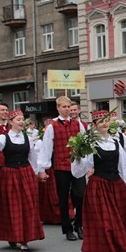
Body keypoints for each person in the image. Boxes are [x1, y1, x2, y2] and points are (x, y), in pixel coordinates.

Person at [71, 110, 126, 252]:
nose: (104, 123)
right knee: (106, 223)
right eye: (100, 121)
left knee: (119, 223)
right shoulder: (91, 145)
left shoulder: (116, 142)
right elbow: (78, 172)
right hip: (99, 187)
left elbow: (124, 166)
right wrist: (78, 156)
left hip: (116, 186)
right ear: (94, 125)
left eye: (106, 120)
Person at [0, 110, 44, 252]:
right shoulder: (4, 137)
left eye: (22, 119)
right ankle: (14, 235)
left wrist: (37, 173)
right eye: (18, 119)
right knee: (12, 206)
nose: (21, 122)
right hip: (10, 175)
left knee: (27, 206)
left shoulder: (28, 138)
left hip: (25, 174)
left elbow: (32, 158)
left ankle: (24, 238)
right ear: (11, 122)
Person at [37, 96, 87, 241]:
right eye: (64, 107)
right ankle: (67, 229)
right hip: (61, 166)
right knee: (63, 198)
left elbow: (84, 145)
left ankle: (79, 224)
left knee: (80, 195)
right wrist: (43, 168)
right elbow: (46, 148)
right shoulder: (52, 126)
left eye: (68, 107)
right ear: (58, 108)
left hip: (77, 165)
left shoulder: (78, 125)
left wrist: (87, 163)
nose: (67, 109)